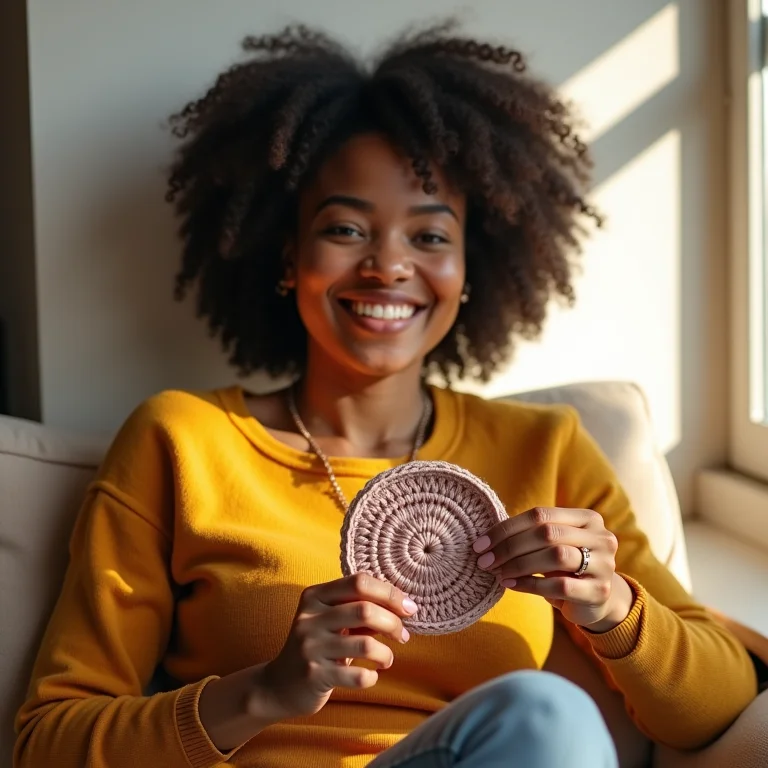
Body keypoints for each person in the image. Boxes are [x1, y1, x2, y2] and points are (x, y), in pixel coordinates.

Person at [14, 22, 757, 768]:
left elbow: (723, 703)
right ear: (288, 254)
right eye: (345, 228)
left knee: (544, 717)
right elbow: (46, 741)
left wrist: (613, 608)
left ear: (471, 271)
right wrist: (265, 690)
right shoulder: (181, 440)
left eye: (430, 237)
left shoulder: (546, 447)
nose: (388, 266)